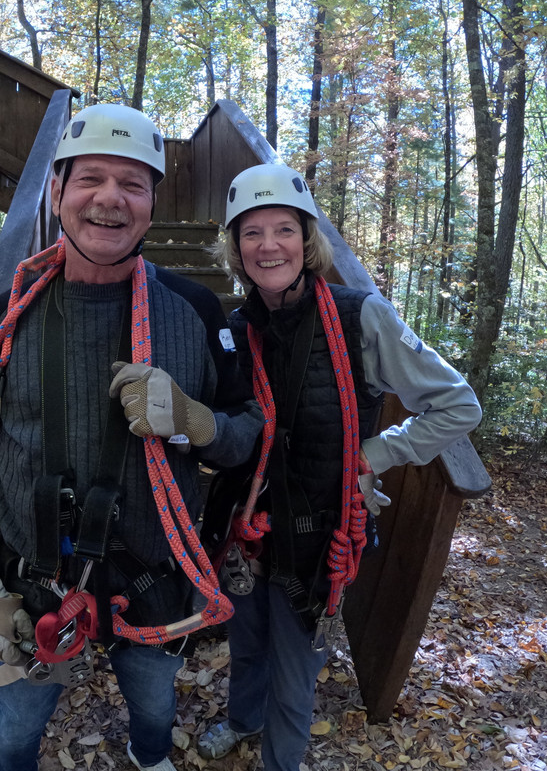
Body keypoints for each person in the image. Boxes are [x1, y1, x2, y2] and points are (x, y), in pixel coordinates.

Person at [0, 103, 263, 771]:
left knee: (152, 706)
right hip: (34, 584)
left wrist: (197, 421)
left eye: (132, 183)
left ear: (150, 205)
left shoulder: (194, 311)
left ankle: (149, 758)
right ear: (57, 192)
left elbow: (245, 441)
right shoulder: (10, 315)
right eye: (91, 179)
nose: (110, 198)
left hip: (151, 579)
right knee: (17, 729)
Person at [198, 163, 482, 771]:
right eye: (251, 233)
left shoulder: (360, 318)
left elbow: (457, 404)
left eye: (283, 230)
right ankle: (242, 720)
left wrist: (374, 455)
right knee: (248, 641)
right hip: (247, 523)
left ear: (308, 241)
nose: (268, 245)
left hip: (319, 527)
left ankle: (281, 760)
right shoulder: (235, 330)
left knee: (296, 669)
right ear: (235, 247)